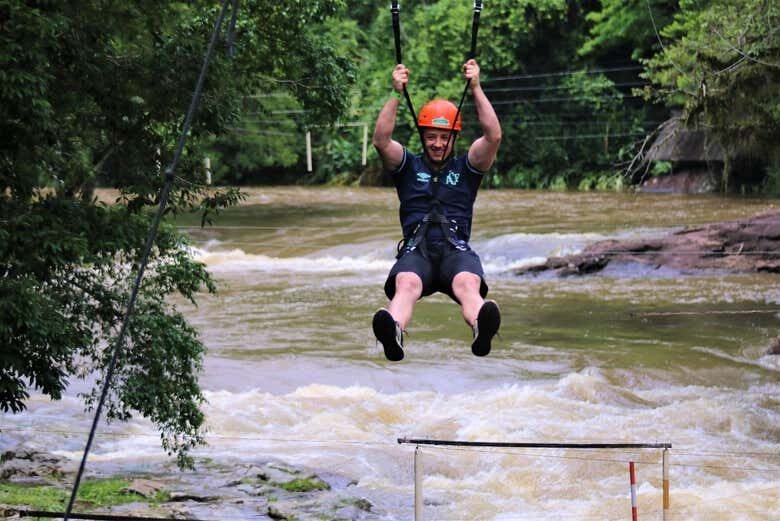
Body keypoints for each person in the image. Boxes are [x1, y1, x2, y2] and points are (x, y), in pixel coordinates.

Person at [372, 58, 502, 362]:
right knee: (407, 283)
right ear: (422, 136)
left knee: (467, 283)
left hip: (454, 249)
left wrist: (476, 88)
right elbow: (381, 140)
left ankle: (480, 325)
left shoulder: (467, 167)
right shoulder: (407, 166)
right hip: (418, 251)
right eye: (431, 136)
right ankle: (394, 331)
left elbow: (494, 136)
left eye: (444, 137)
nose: (437, 143)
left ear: (454, 137)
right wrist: (395, 93)